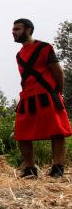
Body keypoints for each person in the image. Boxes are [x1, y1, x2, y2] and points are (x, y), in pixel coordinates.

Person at [12, 18, 70, 178]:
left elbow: (58, 72)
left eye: (17, 29)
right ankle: (30, 168)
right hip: (27, 97)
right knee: (21, 133)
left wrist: (58, 92)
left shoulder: (45, 48)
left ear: (28, 30)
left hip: (47, 95)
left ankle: (58, 167)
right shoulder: (19, 55)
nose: (13, 32)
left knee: (56, 131)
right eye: (13, 29)